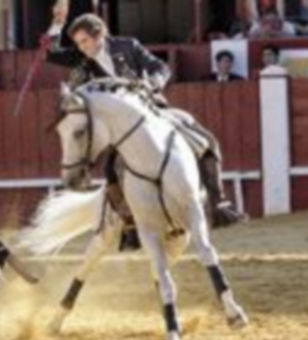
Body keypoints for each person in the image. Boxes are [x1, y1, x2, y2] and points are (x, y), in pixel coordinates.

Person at [44, 5, 245, 247]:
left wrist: (152, 83)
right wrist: (57, 23)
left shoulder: (128, 46)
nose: (82, 47)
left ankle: (217, 202)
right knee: (111, 171)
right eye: (78, 43)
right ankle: (130, 226)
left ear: (100, 35)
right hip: (119, 127)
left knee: (206, 141)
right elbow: (49, 53)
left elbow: (161, 68)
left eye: (85, 41)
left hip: (152, 111)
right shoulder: (82, 58)